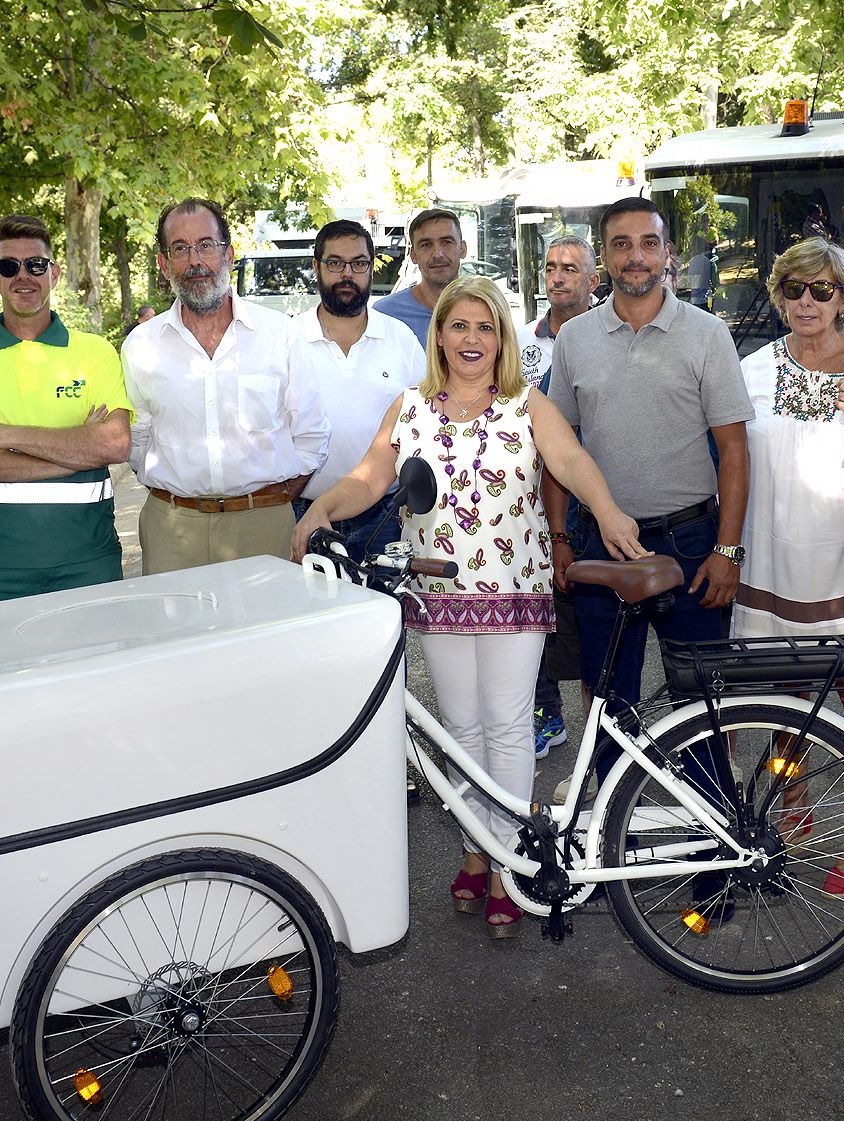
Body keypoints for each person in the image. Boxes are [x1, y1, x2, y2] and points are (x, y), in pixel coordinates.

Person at [291, 275, 646, 938]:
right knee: (462, 727)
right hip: (442, 591)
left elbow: (569, 459)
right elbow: (371, 475)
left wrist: (608, 508)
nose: (472, 339)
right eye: (460, 327)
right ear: (441, 336)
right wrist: (320, 508)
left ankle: (512, 865)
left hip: (515, 587)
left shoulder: (526, 404)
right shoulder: (411, 408)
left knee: (509, 726)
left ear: (502, 338)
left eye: (485, 327)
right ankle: (476, 851)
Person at [544, 196, 752, 778]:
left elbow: (735, 450)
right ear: (604, 257)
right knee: (610, 700)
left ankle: (716, 835)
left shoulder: (707, 334)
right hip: (600, 547)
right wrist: (561, 539)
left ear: (668, 254)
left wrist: (727, 550)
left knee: (704, 700)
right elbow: (559, 448)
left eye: (649, 243)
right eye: (622, 245)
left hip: (690, 543)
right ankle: (612, 833)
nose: (636, 258)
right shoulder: (575, 339)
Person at [734, 237, 844, 890]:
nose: (807, 301)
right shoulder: (753, 368)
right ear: (778, 295)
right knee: (777, 698)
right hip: (767, 564)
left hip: (839, 567)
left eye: (822, 290)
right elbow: (730, 458)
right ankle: (789, 800)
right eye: (795, 289)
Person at [0, 214, 132, 605]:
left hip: (91, 562)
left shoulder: (95, 351)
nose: (23, 276)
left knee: (95, 666)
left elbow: (113, 445)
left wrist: (4, 435)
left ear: (54, 273)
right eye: (10, 267)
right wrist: (73, 454)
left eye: (36, 265)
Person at [123, 197, 327, 574]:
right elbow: (137, 439)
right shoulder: (141, 345)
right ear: (163, 264)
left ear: (229, 254)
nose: (195, 261)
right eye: (180, 249)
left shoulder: (281, 335)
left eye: (206, 245)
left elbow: (311, 436)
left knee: (267, 634)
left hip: (263, 526)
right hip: (172, 528)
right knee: (174, 634)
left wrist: (270, 500)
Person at [291, 218, 425, 559]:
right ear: (316, 267)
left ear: (371, 266)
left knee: (385, 611)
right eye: (335, 263)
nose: (346, 274)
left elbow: (426, 426)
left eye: (359, 263)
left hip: (386, 520)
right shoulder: (286, 341)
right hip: (303, 514)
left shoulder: (401, 340)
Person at [518, 235, 600, 759]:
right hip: (530, 501)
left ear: (594, 279)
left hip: (589, 501)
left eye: (571, 268)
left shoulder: (605, 335)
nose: (558, 276)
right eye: (550, 267)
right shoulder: (520, 341)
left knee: (592, 626)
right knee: (538, 616)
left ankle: (602, 725)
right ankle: (546, 712)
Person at [372, 207, 466, 346]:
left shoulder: (486, 309)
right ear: (413, 255)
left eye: (446, 242)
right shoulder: (385, 315)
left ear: (462, 249)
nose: (437, 254)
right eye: (426, 245)